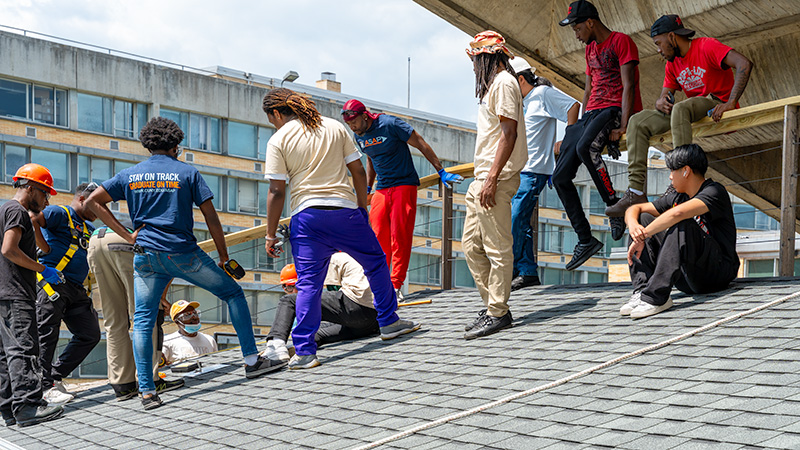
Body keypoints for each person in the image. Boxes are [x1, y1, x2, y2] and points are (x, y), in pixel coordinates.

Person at [85, 117, 284, 410]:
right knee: (232, 293)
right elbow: (211, 218)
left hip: (146, 257)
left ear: (148, 145)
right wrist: (224, 256)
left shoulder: (129, 175)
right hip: (183, 254)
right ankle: (253, 361)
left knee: (141, 320)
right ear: (176, 145)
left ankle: (147, 391)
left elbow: (92, 202)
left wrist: (127, 234)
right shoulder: (187, 173)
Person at [261, 88, 420, 370]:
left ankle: (306, 352)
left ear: (276, 113)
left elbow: (276, 190)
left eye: (272, 119)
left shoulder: (278, 140)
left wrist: (270, 233)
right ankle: (389, 322)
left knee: (309, 283)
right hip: (344, 210)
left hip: (306, 217)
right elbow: (358, 171)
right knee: (376, 262)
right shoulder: (334, 127)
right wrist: (361, 207)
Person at [606, 14, 753, 218]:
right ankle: (636, 192)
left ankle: (681, 183)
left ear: (673, 37)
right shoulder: (672, 64)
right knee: (637, 121)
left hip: (716, 104)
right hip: (691, 110)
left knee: (682, 108)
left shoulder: (706, 46)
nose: (658, 49)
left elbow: (744, 64)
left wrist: (730, 103)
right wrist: (660, 102)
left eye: (659, 43)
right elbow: (664, 97)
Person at [341, 99, 463, 300]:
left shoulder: (390, 124)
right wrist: (369, 188)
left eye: (354, 122)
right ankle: (380, 284)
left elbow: (420, 142)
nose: (352, 127)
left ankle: (395, 285)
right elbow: (371, 159)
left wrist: (440, 170)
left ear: (364, 116)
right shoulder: (359, 135)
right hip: (382, 188)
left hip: (404, 185)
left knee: (400, 237)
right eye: (349, 124)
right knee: (378, 237)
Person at [553, 0, 643, 270]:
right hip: (592, 113)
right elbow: (589, 87)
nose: (576, 34)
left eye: (577, 28)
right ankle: (585, 238)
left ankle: (614, 206)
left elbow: (629, 86)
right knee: (559, 176)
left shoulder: (621, 42)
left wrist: (624, 125)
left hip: (613, 108)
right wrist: (580, 124)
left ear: (590, 22)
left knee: (585, 149)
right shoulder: (590, 49)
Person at [620, 144, 739, 319]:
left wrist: (642, 236)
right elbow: (635, 208)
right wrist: (633, 227)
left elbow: (678, 213)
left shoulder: (714, 191)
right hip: (688, 278)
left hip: (716, 274)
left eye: (672, 171)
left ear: (685, 171)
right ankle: (642, 289)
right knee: (643, 218)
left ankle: (656, 297)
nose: (669, 177)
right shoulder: (678, 197)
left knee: (682, 223)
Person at [462, 30, 528, 339]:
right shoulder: (494, 86)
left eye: (476, 59)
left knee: (496, 247)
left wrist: (491, 178)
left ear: (487, 57)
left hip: (495, 178)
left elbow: (508, 134)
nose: (473, 66)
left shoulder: (503, 83)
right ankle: (494, 305)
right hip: (483, 178)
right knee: (471, 247)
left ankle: (498, 312)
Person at [508, 57, 580, 291]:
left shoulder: (542, 94)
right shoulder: (526, 101)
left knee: (516, 218)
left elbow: (572, 105)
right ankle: (526, 271)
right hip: (522, 169)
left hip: (535, 169)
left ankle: (516, 268)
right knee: (520, 221)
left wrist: (568, 138)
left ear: (520, 79)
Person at [0, 163, 64, 427]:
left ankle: (8, 409)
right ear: (30, 188)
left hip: (3, 291)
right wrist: (42, 269)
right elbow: (9, 250)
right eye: (44, 193)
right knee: (24, 348)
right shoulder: (17, 212)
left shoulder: (3, 208)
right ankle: (28, 406)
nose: (46, 200)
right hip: (16, 291)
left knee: (5, 352)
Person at [87, 226, 182, 401]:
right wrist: (161, 298)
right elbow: (170, 265)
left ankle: (122, 385)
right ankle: (150, 379)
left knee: (114, 321)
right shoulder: (175, 229)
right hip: (125, 241)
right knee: (146, 316)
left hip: (95, 242)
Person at [30, 182, 101, 405]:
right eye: (96, 207)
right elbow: (33, 220)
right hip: (53, 284)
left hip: (76, 289)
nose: (99, 213)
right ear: (81, 199)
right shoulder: (60, 213)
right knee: (46, 334)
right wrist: (45, 249)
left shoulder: (89, 229)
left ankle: (54, 376)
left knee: (90, 334)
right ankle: (43, 387)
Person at [262, 254, 380, 364]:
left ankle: (275, 347)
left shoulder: (326, 261)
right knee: (316, 333)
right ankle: (297, 349)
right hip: (372, 323)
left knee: (288, 301)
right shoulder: (350, 259)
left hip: (358, 307)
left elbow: (312, 292)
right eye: (288, 287)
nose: (294, 290)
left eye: (296, 286)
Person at [162, 300, 217, 365]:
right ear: (177, 321)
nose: (194, 317)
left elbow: (217, 365)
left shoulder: (210, 340)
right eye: (187, 315)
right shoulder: (167, 342)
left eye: (195, 313)